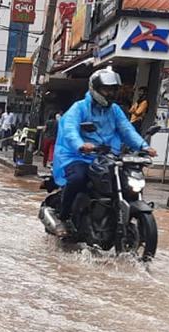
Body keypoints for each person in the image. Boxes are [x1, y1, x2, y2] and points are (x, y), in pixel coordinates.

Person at [53, 68, 157, 225]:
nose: (110, 93)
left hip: (107, 156)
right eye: (106, 89)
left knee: (124, 180)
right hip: (77, 155)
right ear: (94, 89)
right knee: (78, 178)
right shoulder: (79, 108)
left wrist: (144, 146)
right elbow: (70, 130)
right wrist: (81, 145)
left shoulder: (115, 110)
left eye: (113, 89)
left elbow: (126, 130)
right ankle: (63, 216)